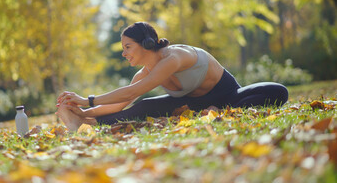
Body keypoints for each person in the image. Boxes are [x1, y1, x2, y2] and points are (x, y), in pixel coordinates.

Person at [56, 22, 288, 131]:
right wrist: (84, 111)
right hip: (192, 105)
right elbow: (122, 102)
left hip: (228, 95)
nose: (123, 53)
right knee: (143, 107)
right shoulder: (143, 73)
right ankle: (83, 123)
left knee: (278, 91)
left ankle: (219, 111)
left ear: (146, 44)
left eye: (127, 47)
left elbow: (132, 92)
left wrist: (86, 100)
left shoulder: (174, 57)